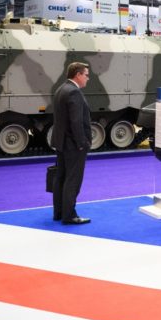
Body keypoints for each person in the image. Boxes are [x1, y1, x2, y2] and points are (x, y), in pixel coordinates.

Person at [51, 62, 92, 225]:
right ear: (78, 75)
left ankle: (59, 213)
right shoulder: (74, 92)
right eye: (86, 75)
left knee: (60, 178)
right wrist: (82, 143)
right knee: (72, 180)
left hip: (61, 143)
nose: (88, 78)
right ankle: (70, 215)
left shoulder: (61, 89)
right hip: (73, 145)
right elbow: (76, 122)